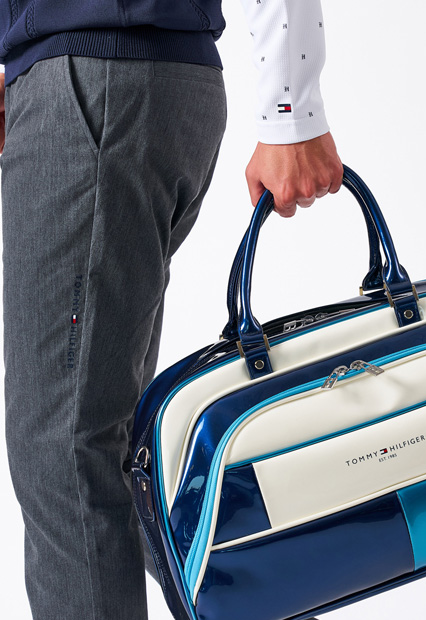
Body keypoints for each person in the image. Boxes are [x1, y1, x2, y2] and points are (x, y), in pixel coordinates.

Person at [0, 1, 341, 618]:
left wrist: (291, 108)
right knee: (100, 446)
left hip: (96, 79)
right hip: (102, 75)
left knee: (66, 450)